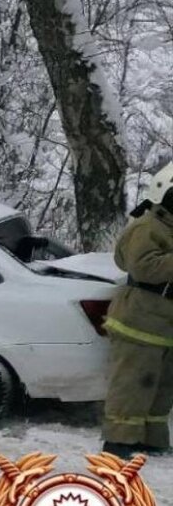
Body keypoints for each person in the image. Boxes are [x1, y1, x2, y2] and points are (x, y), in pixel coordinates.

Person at [102, 162, 173, 459]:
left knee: (159, 387)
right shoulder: (148, 227)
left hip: (163, 325)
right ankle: (118, 441)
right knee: (132, 384)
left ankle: (152, 439)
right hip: (139, 321)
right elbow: (143, 267)